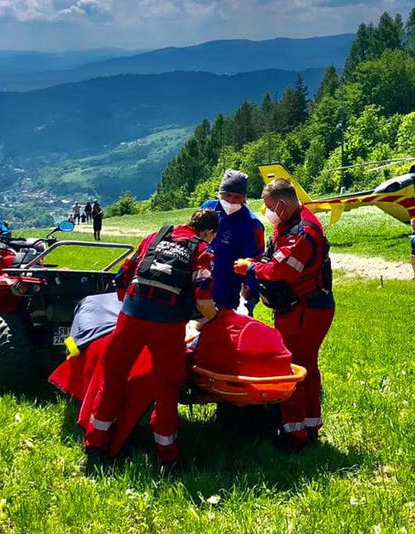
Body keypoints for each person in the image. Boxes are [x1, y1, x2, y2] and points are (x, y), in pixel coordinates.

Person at [82, 208, 220, 472]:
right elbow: (202, 298)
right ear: (209, 232)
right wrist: (214, 316)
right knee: (166, 389)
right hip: (167, 325)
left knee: (112, 381)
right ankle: (168, 459)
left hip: (131, 316)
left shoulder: (154, 236)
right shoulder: (203, 249)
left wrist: (130, 307)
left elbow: (124, 274)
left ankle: (95, 450)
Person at [237, 178, 336, 452]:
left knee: (293, 368)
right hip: (297, 308)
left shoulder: (304, 232)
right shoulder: (287, 224)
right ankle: (308, 426)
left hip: (306, 309)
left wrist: (249, 269)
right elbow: (272, 256)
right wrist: (258, 263)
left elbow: (281, 270)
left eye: (270, 207)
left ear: (281, 203)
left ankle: (296, 435)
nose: (268, 213)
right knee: (304, 366)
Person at [200, 169, 266, 313]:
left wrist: (250, 296)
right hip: (200, 286)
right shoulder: (207, 209)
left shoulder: (252, 224)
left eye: (236, 197)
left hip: (230, 290)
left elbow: (256, 262)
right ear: (220, 193)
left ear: (244, 198)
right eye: (227, 195)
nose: (230, 201)